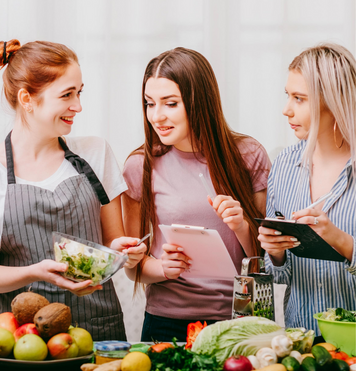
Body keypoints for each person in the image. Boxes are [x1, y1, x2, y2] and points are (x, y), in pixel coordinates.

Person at [0, 39, 146, 341]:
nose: (78, 106)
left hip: (99, 330)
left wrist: (126, 253)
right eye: (67, 95)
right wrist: (36, 271)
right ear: (27, 98)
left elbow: (112, 242)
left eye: (79, 92)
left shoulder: (95, 153)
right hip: (24, 339)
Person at [122, 47, 271, 342]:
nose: (157, 116)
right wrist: (163, 268)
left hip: (238, 319)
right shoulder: (140, 165)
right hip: (167, 323)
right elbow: (134, 266)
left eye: (170, 103)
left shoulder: (248, 155)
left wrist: (241, 225)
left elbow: (265, 258)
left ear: (198, 101)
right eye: (150, 104)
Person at [259, 43, 356, 334]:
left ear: (334, 101)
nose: (286, 110)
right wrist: (274, 252)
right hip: (299, 345)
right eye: (287, 96)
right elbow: (277, 275)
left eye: (299, 99)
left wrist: (341, 241)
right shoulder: (284, 166)